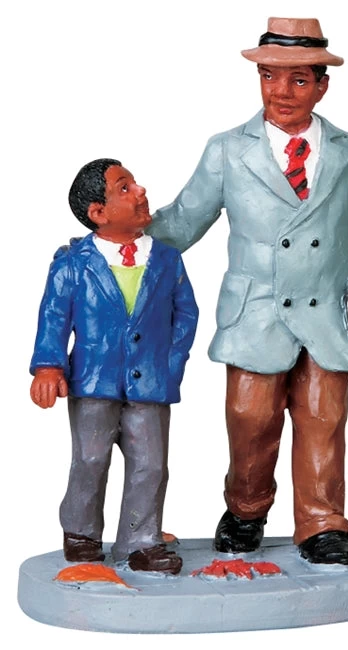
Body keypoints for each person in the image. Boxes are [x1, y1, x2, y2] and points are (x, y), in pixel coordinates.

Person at [147, 18, 348, 565]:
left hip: (326, 315)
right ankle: (246, 508)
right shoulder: (227, 150)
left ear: (322, 85)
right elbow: (185, 221)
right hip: (255, 315)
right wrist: (129, 232)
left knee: (324, 420)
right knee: (250, 420)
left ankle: (322, 521)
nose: (281, 91)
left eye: (297, 80)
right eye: (269, 76)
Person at [30, 159, 198, 574]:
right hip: (92, 383)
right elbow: (54, 316)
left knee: (151, 466)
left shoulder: (167, 259)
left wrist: (171, 365)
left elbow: (186, 315)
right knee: (90, 460)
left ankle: (140, 541)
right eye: (124, 188)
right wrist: (49, 366)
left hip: (151, 385)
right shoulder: (72, 263)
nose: (140, 191)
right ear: (98, 213)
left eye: (134, 183)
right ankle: (81, 532)